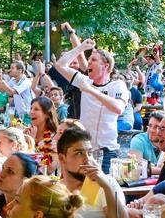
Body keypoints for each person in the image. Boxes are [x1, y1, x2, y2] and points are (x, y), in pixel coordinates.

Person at [53, 34, 128, 172]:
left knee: (102, 191)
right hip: (84, 150)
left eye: (93, 60)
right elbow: (59, 65)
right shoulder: (84, 81)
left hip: (107, 152)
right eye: (89, 59)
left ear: (105, 66)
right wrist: (81, 47)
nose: (89, 63)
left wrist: (91, 91)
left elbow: (118, 108)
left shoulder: (117, 85)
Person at [56, 127, 127, 218]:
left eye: (90, 153)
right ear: (62, 158)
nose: (87, 159)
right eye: (79, 153)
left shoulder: (104, 184)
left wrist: (106, 186)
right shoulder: (55, 189)